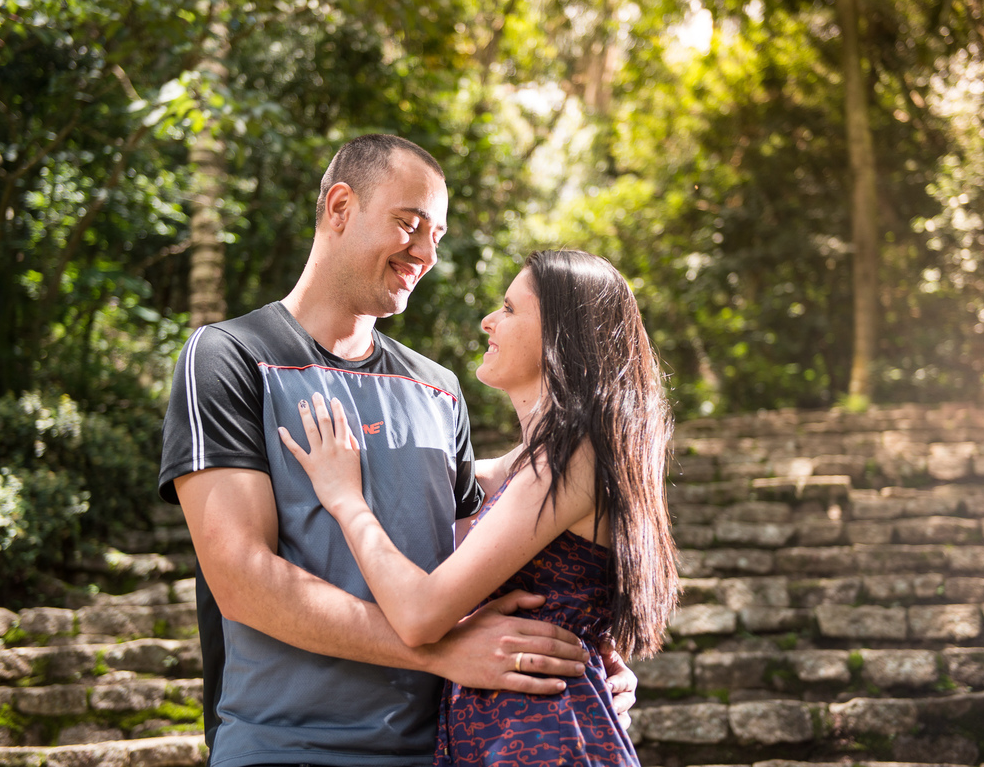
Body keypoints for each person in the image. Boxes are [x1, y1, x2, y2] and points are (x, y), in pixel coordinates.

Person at [158, 136, 636, 767]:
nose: (426, 253)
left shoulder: (439, 388)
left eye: (436, 235)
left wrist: (584, 651)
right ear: (339, 207)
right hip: (283, 746)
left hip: (444, 750)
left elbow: (482, 557)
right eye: (410, 224)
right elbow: (243, 581)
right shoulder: (229, 357)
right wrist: (440, 652)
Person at [280, 249, 680, 766]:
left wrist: (345, 499)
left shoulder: (572, 457)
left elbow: (420, 615)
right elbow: (439, 473)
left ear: (562, 335)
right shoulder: (531, 463)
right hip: (512, 734)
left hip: (544, 741)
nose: (489, 320)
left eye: (510, 309)